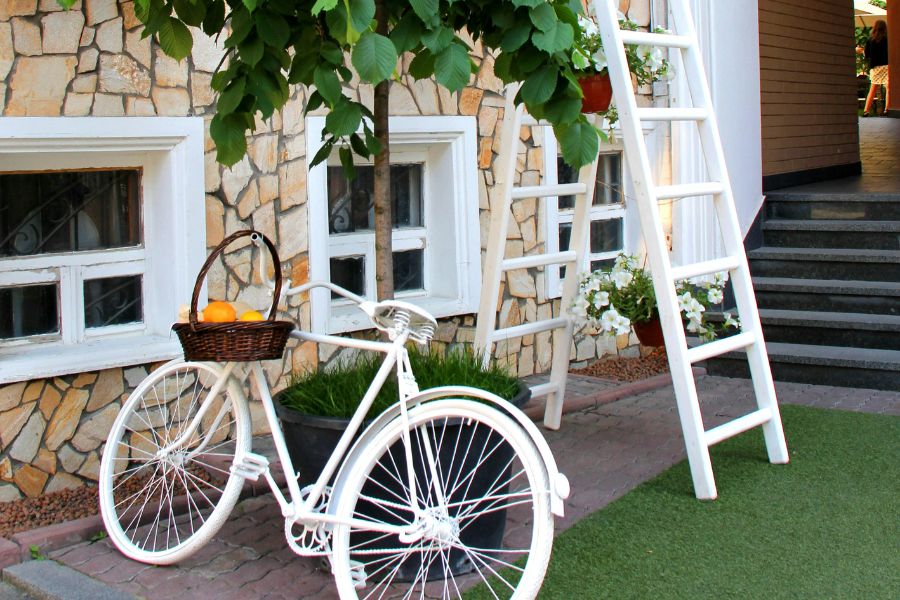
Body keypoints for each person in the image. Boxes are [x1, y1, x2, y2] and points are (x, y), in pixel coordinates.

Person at [864, 20, 889, 117]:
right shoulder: (887, 39)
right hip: (886, 66)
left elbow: (867, 55)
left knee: (873, 89)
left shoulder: (870, 40)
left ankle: (866, 111)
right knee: (888, 88)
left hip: (875, 67)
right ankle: (887, 109)